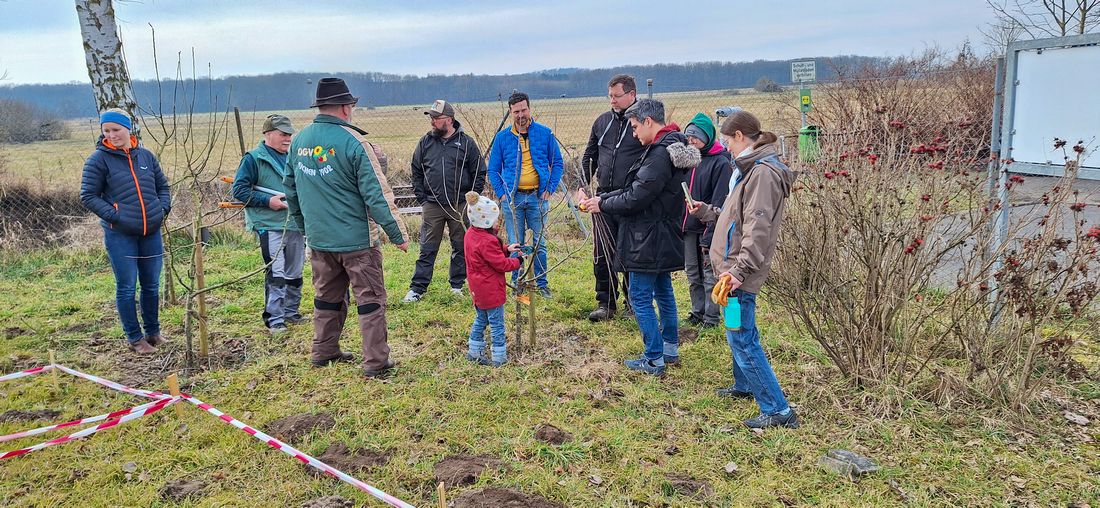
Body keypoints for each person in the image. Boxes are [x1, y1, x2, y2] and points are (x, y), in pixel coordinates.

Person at [284, 77, 409, 379]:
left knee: (327, 296)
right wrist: (398, 233)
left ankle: (324, 350)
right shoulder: (354, 143)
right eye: (351, 105)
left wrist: (305, 227)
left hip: (320, 240)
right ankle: (376, 362)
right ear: (344, 107)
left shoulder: (299, 142)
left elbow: (290, 190)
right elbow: (377, 194)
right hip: (357, 242)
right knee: (370, 300)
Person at [688, 110, 800, 429]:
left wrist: (739, 270)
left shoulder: (762, 173)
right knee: (736, 329)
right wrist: (708, 212)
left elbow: (758, 228)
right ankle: (745, 385)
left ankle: (778, 410)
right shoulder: (749, 169)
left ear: (740, 136)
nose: (726, 148)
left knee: (742, 335)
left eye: (727, 141)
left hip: (740, 271)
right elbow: (736, 214)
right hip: (733, 267)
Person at [579, 99, 699, 377]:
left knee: (640, 296)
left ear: (648, 122)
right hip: (662, 233)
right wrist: (605, 197)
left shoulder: (658, 155)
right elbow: (636, 187)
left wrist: (602, 204)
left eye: (634, 127)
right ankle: (669, 349)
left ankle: (653, 357)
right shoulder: (671, 147)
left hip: (647, 236)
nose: (633, 134)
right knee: (664, 292)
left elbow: (636, 196)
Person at [80, 108, 171, 354]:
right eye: (106, 131)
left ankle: (153, 332)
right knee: (127, 287)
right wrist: (115, 216)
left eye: (116, 130)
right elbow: (88, 195)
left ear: (128, 129)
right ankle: (135, 338)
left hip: (151, 231)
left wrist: (162, 209)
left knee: (151, 285)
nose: (112, 135)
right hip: (120, 235)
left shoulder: (146, 157)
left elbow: (162, 186)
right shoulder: (98, 160)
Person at [403, 99, 486, 303]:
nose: (432, 122)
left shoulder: (466, 143)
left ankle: (457, 285)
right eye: (431, 118)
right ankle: (417, 288)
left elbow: (479, 171)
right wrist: (422, 198)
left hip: (459, 205)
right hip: (432, 205)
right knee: (427, 247)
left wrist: (472, 197)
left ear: (449, 120)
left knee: (460, 245)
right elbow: (416, 171)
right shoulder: (425, 142)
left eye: (436, 118)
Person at [231, 114, 306, 335]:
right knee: (277, 271)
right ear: (268, 134)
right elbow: (239, 191)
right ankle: (275, 319)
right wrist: (268, 201)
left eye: (290, 134)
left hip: (294, 222)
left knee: (295, 270)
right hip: (269, 223)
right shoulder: (253, 159)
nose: (287, 138)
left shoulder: (294, 157)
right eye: (283, 134)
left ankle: (291, 312)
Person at [487, 92, 564, 299]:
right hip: (513, 200)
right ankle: (518, 283)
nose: (521, 114)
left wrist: (550, 188)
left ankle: (542, 284)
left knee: (539, 243)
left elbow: (557, 163)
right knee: (516, 243)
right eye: (516, 111)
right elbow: (493, 169)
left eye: (523, 110)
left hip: (538, 198)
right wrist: (502, 194)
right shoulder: (503, 138)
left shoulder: (544, 133)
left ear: (529, 108)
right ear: (511, 112)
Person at [581, 74, 645, 321]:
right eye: (610, 96)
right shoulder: (602, 122)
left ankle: (633, 303)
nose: (613, 101)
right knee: (601, 252)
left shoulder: (640, 123)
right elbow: (590, 156)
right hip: (602, 199)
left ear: (631, 94)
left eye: (617, 96)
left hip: (630, 199)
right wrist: (583, 186)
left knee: (630, 252)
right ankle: (606, 303)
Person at [681, 113, 732, 328]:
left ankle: (711, 317)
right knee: (693, 272)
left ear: (707, 137)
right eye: (689, 137)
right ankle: (697, 311)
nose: (691, 141)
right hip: (689, 227)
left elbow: (720, 201)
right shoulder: (688, 160)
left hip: (709, 227)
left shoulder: (720, 163)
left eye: (695, 137)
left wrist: (711, 230)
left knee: (710, 274)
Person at [462, 191, 523, 367]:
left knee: (481, 318)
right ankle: (499, 356)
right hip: (491, 289)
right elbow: (501, 264)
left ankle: (474, 351)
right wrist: (517, 260)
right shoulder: (488, 241)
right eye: (495, 219)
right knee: (497, 324)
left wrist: (506, 248)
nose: (498, 222)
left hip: (477, 288)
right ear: (486, 221)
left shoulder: (471, 235)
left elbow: (487, 254)